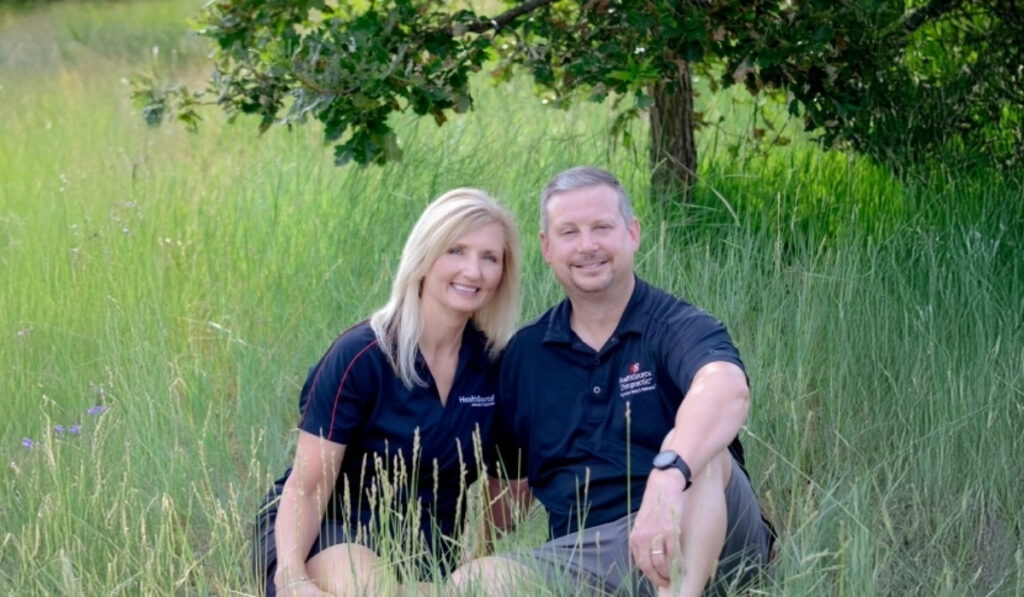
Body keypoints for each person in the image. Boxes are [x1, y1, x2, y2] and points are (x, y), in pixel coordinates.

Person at [451, 167, 774, 596]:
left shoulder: (677, 325)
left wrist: (668, 475)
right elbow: (509, 486)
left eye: (602, 227)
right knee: (471, 584)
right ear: (547, 248)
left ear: (632, 233)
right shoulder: (525, 356)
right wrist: (477, 558)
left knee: (705, 456)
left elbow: (726, 388)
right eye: (569, 232)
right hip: (591, 555)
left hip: (709, 536)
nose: (587, 246)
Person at [252, 188, 521, 596]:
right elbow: (307, 488)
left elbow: (510, 482)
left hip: (425, 552)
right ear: (424, 257)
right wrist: (291, 578)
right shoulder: (362, 356)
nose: (473, 271)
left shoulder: (495, 366)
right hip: (328, 535)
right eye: (456, 251)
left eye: (490, 258)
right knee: (369, 586)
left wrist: (476, 563)